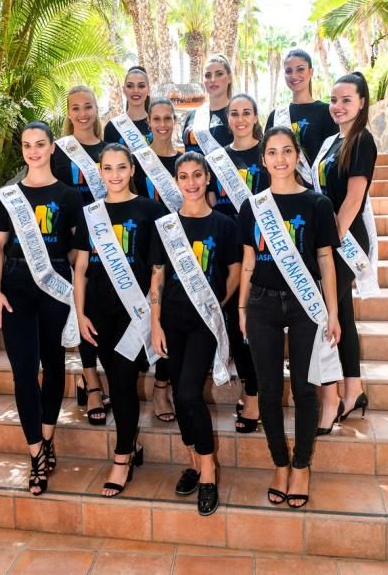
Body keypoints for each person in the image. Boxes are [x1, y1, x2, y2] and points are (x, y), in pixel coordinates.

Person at [237, 126, 340, 507]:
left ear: (297, 155)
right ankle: (279, 462)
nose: (279, 159)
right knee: (267, 387)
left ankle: (301, 465)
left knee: (303, 388)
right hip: (262, 303)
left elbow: (326, 259)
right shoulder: (253, 206)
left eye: (286, 151)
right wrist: (242, 307)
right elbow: (249, 260)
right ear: (262, 159)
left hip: (305, 305)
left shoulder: (317, 204)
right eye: (272, 152)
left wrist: (332, 312)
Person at [0, 121, 82, 495]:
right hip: (16, 286)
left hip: (54, 285)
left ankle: (47, 436)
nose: (33, 151)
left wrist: (67, 276)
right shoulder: (9, 196)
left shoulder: (69, 195)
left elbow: (79, 248)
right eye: (27, 145)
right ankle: (35, 455)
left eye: (40, 144)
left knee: (54, 363)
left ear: (51, 147)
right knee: (23, 371)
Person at [150, 152, 241, 516]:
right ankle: (194, 460)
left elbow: (235, 271)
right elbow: (156, 276)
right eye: (183, 176)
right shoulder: (166, 226)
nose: (190, 182)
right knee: (177, 392)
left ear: (207, 179)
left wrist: (220, 301)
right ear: (176, 181)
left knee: (189, 392)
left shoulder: (224, 225)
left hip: (205, 321)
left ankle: (208, 473)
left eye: (197, 175)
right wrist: (154, 323)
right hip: (170, 320)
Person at [73, 144, 166, 497]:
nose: (114, 175)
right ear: (100, 171)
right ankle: (131, 446)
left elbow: (158, 269)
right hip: (98, 310)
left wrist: (154, 316)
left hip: (135, 314)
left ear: (132, 171)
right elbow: (81, 268)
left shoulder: (150, 211)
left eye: (121, 168)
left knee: (125, 384)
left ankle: (122, 457)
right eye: (108, 168)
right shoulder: (90, 213)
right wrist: (80, 314)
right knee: (115, 383)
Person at [313, 72, 377, 434]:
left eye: (346, 100)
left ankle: (332, 398)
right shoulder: (332, 141)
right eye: (334, 100)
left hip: (344, 241)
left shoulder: (361, 140)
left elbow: (353, 199)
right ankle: (353, 389)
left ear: (362, 102)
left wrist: (330, 241)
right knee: (344, 317)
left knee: (327, 314)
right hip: (332, 239)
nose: (338, 106)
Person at [208, 93, 269, 432]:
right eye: (234, 113)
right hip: (226, 247)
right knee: (233, 320)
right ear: (227, 119)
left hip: (260, 247)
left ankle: (255, 394)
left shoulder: (267, 153)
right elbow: (213, 199)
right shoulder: (218, 158)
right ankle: (250, 385)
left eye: (247, 112)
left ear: (255, 115)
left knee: (251, 325)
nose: (241, 119)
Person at [52, 86, 108, 425]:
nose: (82, 113)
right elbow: (54, 198)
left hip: (109, 243)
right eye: (76, 107)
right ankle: (91, 382)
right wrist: (73, 242)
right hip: (74, 244)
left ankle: (108, 375)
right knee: (82, 308)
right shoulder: (59, 152)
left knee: (102, 310)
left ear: (96, 109)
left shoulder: (107, 150)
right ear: (69, 113)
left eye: (88, 106)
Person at [133, 98, 183, 422]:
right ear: (148, 123)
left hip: (178, 248)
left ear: (174, 120)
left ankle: (163, 385)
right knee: (142, 314)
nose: (162, 124)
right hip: (142, 246)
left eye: (168, 118)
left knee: (171, 316)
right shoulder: (137, 161)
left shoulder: (184, 160)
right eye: (156, 119)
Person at [266, 49, 336, 172]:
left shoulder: (326, 112)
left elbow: (333, 155)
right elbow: (267, 155)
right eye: (288, 71)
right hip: (284, 187)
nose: (293, 75)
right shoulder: (276, 115)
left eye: (300, 69)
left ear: (311, 71)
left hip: (317, 188)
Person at [182, 54, 233, 152]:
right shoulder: (193, 116)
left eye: (219, 74)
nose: (213, 80)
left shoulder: (237, 115)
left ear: (229, 78)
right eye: (207, 75)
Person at [104, 66, 152, 145]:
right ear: (124, 90)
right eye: (130, 86)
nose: (135, 90)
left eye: (141, 86)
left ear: (148, 89)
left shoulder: (157, 123)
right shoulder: (112, 127)